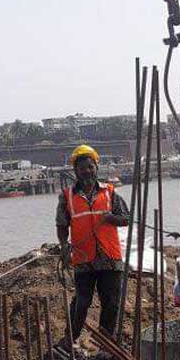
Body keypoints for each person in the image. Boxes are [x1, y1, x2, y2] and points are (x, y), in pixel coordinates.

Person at [56, 145, 130, 348]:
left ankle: (106, 341)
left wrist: (111, 218)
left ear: (96, 167)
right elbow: (61, 224)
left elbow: (126, 219)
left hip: (109, 257)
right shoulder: (67, 197)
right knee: (81, 301)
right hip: (83, 258)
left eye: (90, 167)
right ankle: (70, 338)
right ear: (76, 172)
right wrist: (64, 245)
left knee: (112, 302)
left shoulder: (110, 192)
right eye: (82, 168)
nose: (87, 171)